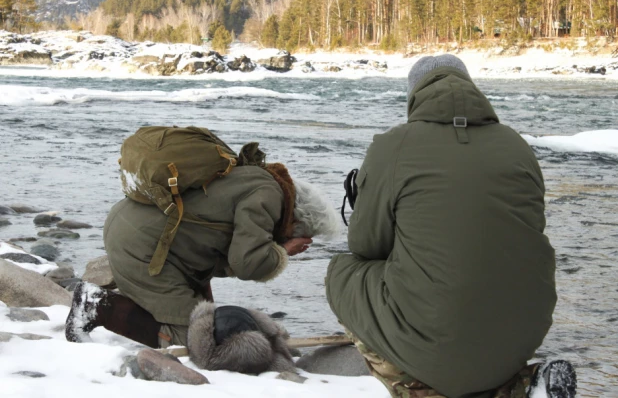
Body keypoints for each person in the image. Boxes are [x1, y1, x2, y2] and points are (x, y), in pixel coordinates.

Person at [326, 55, 576, 398]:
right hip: (523, 331)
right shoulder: (516, 145)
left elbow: (365, 245)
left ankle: (418, 385)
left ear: (415, 94)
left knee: (343, 270)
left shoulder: (394, 145)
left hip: (439, 334)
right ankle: (521, 384)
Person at [66, 156, 339, 354]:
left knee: (203, 319)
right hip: (145, 245)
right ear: (297, 222)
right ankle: (96, 304)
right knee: (192, 340)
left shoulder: (258, 180)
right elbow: (246, 264)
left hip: (142, 229)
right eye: (302, 234)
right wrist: (283, 251)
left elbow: (217, 251)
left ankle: (137, 299)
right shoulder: (269, 198)